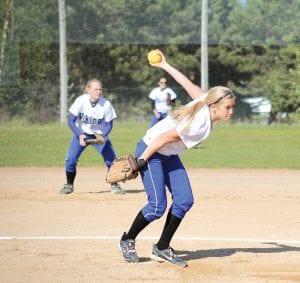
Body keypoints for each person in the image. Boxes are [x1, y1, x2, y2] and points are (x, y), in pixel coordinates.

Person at [119, 50, 235, 267]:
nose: (230, 111)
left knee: (184, 200)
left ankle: (162, 247)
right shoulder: (198, 124)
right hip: (152, 150)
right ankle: (127, 239)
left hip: (168, 154)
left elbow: (191, 87)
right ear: (214, 106)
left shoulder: (205, 103)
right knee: (157, 207)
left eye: (232, 107)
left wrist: (165, 65)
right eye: (227, 107)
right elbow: (162, 138)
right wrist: (141, 161)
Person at [60, 78, 126, 195]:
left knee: (111, 160)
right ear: (88, 90)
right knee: (70, 160)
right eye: (95, 89)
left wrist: (103, 135)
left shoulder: (106, 104)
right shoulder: (81, 101)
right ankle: (69, 185)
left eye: (100, 89)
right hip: (82, 134)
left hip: (98, 135)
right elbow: (71, 121)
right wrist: (79, 134)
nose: (98, 92)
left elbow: (109, 124)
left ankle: (115, 185)